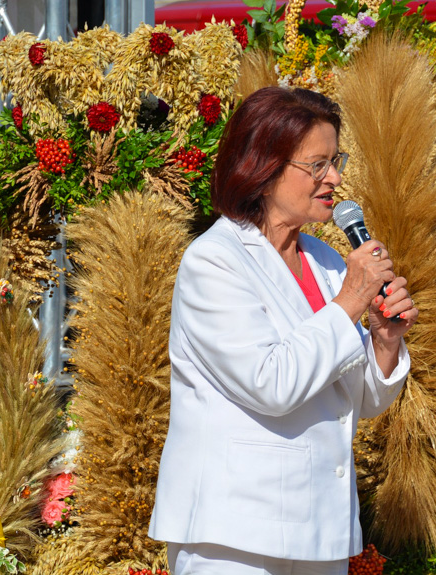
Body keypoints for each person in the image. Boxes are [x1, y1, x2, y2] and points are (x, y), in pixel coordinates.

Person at [149, 87, 419, 575]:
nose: (334, 178)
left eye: (336, 160)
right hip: (235, 536)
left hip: (321, 531)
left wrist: (384, 341)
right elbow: (271, 384)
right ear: (263, 165)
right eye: (317, 165)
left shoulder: (326, 262)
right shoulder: (214, 261)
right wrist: (354, 300)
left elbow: (356, 400)